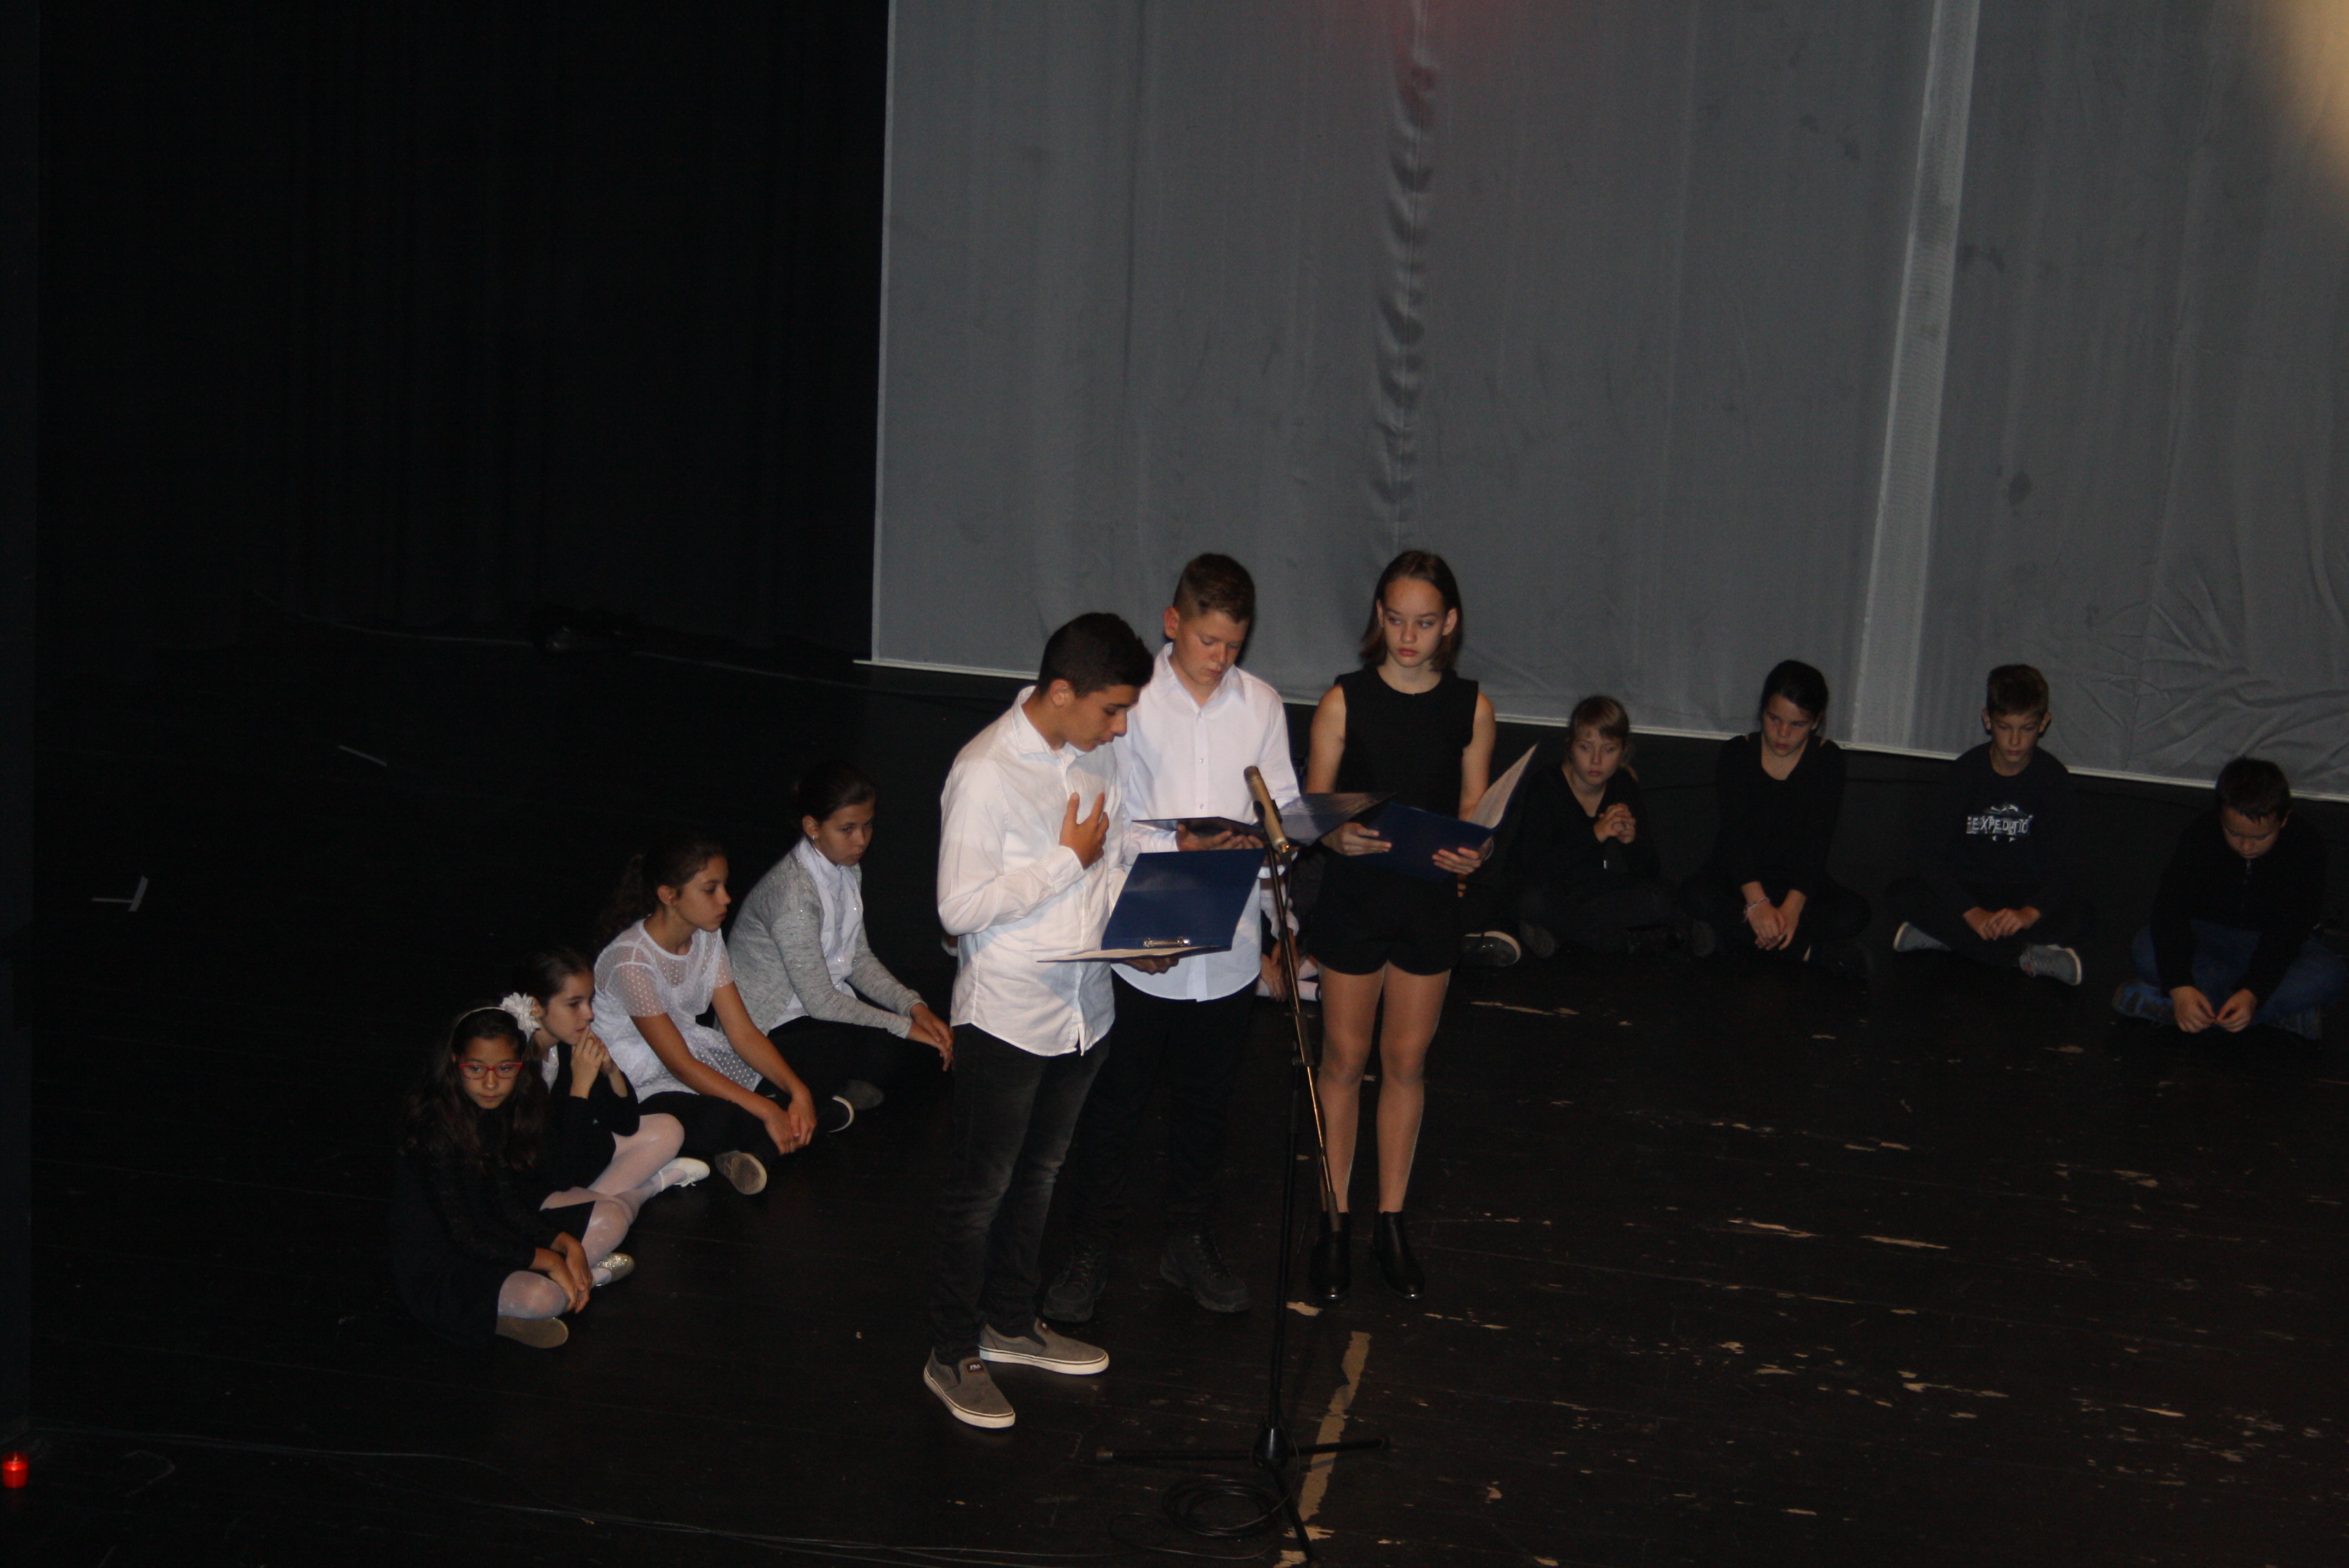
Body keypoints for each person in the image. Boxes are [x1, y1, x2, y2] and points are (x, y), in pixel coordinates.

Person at [1044, 555, 1299, 1324]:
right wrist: (1175, 844)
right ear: (1173, 623)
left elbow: (1280, 810)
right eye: (1207, 641)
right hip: (1143, 940)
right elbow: (1104, 811)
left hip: (1227, 945)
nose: (1220, 659)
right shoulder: (1133, 701)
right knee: (1115, 1104)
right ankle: (1090, 1248)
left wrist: (1273, 879)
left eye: (1233, 645)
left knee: (1207, 1106)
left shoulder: (1261, 705)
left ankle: (1188, 1241)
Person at [925, 612, 1161, 1429]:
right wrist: (1065, 860)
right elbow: (957, 908)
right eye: (1111, 709)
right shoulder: (985, 771)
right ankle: (950, 1350)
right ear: (1062, 692)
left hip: (1084, 1007)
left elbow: (1116, 854)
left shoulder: (1098, 752)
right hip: (1008, 1014)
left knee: (1040, 1175)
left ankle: (1010, 1322)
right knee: (980, 1191)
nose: (1120, 727)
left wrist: (1136, 936)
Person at [1301, 550, 1495, 1304]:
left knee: (1406, 1062)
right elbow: (1315, 804)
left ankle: (1390, 1220)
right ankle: (1333, 1221)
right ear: (1378, 617)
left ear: (1449, 624)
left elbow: (1475, 808)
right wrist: (1334, 834)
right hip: (1355, 897)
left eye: (1423, 622)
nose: (1408, 637)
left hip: (1426, 900)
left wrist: (1473, 851)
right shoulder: (1343, 700)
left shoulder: (1471, 707)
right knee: (1344, 1059)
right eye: (1394, 620)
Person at [591, 832, 848, 1200]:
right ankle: (803, 1122)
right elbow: (679, 1066)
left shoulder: (706, 935)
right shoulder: (631, 961)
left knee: (830, 1048)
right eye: (710, 889)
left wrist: (799, 1091)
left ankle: (782, 1129)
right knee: (721, 1120)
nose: (726, 898)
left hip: (693, 1053)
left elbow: (742, 1032)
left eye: (724, 886)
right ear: (669, 895)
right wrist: (768, 1110)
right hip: (641, 1084)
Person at [390, 1007, 652, 1350]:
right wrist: (549, 1258)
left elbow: (505, 1203)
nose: (490, 1083)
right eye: (475, 1069)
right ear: (455, 1062)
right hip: (446, 1262)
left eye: (505, 1069)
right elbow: (463, 1235)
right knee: (543, 1298)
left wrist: (565, 1244)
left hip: (492, 1235)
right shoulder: (433, 1127)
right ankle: (534, 1299)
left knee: (608, 1219)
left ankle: (566, 1281)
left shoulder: (501, 1110)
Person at [727, 762, 955, 1117]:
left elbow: (857, 958)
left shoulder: (847, 869)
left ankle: (830, 1102)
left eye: (868, 825)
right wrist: (904, 1027)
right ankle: (802, 1104)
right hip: (769, 1027)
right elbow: (820, 1002)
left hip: (819, 1013)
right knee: (855, 1049)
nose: (861, 840)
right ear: (812, 828)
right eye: (847, 829)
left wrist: (913, 1007)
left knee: (924, 1052)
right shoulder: (793, 895)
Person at [2113, 757, 2345, 1039]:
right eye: (2233, 833)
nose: (2246, 846)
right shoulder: (2201, 834)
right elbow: (2170, 909)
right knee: (2145, 945)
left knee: (2328, 973)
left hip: (2269, 947)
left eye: (2260, 837)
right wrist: (2180, 985)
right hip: (2208, 939)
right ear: (2220, 816)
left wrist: (2253, 992)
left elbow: (2290, 930)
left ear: (2283, 820)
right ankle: (2273, 1015)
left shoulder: (2304, 845)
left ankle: (2177, 1009)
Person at [1884, 666, 2089, 984]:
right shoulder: (1965, 772)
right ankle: (2023, 955)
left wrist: (2028, 913)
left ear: (2044, 723)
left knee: (2082, 913)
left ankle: (1947, 938)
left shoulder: (2053, 779)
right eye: (2005, 727)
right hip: (1970, 890)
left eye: (2027, 728)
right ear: (1988, 720)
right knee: (1901, 894)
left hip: (2022, 895)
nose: (2015, 740)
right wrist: (1971, 912)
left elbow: (2067, 863)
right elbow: (1928, 855)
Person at [1679, 660, 1871, 977]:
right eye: (1774, 719)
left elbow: (1817, 843)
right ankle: (1808, 952)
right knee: (1692, 894)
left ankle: (1731, 938)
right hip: (1741, 881)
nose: (1783, 733)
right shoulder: (1737, 754)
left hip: (1795, 884)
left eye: (1797, 724)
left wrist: (1791, 909)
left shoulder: (1828, 759)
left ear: (1816, 721)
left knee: (1855, 912)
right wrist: (1757, 904)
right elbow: (1735, 837)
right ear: (1762, 711)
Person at [505, 948, 705, 1196]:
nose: (589, 1014)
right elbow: (558, 1173)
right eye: (574, 1004)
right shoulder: (510, 1066)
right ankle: (644, 1190)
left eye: (589, 1001)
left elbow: (625, 1125)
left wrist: (611, 1071)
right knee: (609, 1215)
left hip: (572, 1164)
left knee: (668, 1128)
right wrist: (580, 1087)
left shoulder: (567, 1048)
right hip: (536, 1187)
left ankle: (625, 1194)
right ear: (535, 1007)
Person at [1509, 694, 1679, 958]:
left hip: (1590, 892)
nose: (1596, 760)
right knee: (1530, 901)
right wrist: (1595, 834)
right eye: (1586, 748)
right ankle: (1618, 941)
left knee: (1663, 895)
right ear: (1570, 747)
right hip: (1551, 887)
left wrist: (1631, 842)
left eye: (1609, 750)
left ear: (1623, 751)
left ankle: (1565, 935)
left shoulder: (1622, 784)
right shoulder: (1546, 784)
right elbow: (1535, 870)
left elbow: (1648, 870)